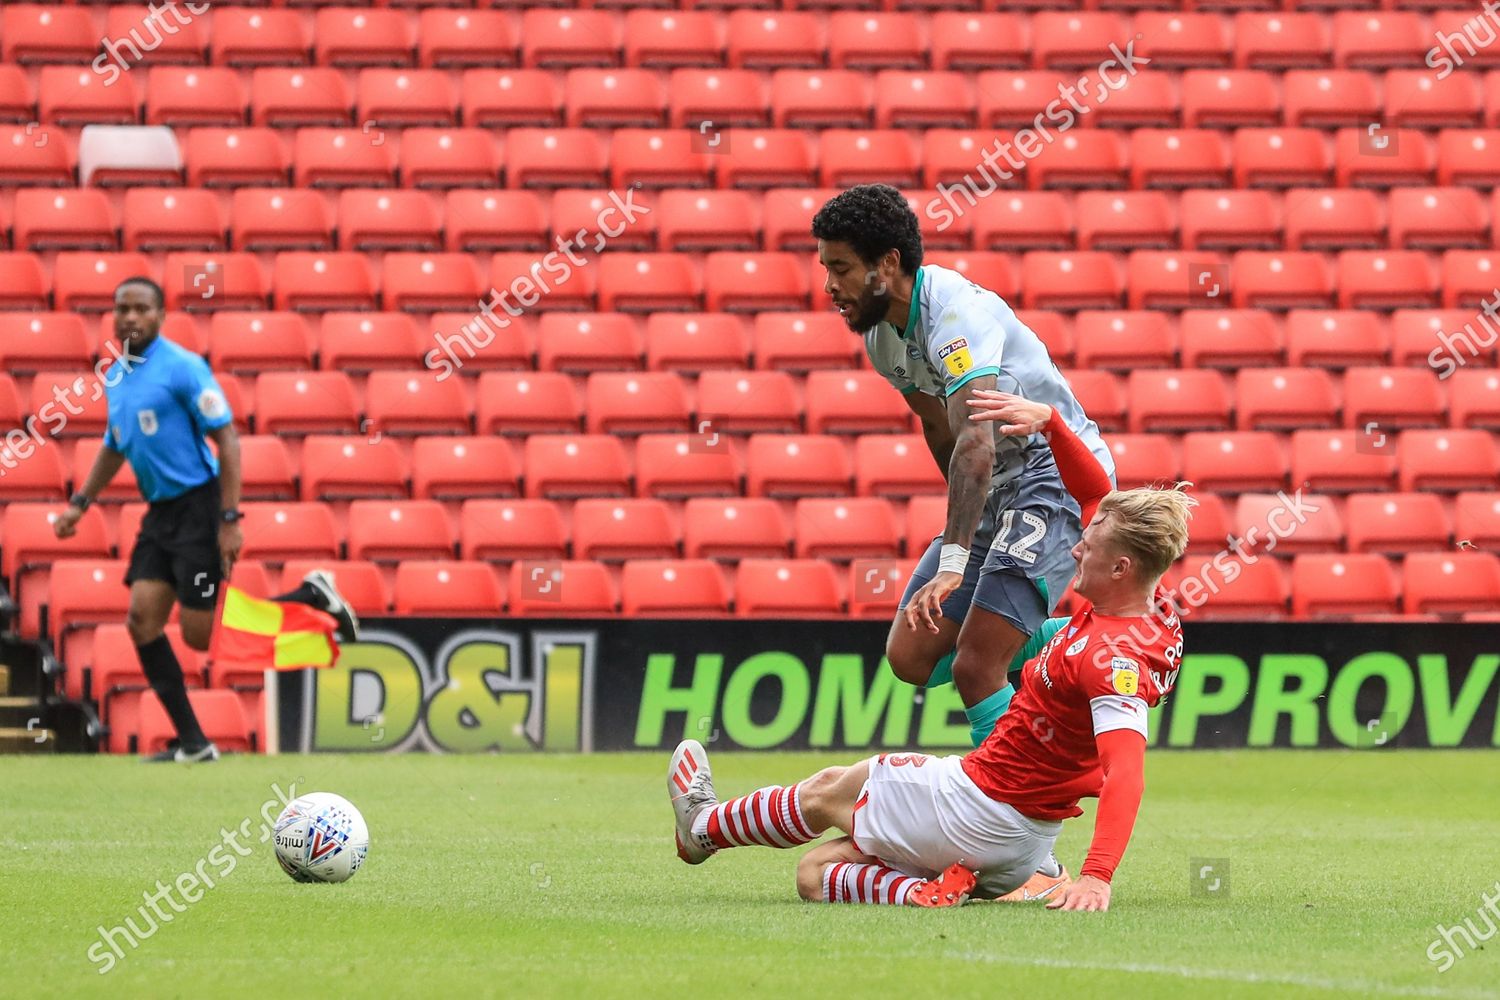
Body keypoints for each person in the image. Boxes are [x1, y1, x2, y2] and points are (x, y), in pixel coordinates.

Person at [668, 390, 1193, 909]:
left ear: (1121, 568)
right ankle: (926, 890)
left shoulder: (1114, 660)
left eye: (1090, 546)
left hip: (981, 808)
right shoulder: (1147, 609)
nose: (1076, 545)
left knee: (832, 789)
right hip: (1021, 842)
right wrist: (1052, 423)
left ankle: (702, 828)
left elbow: (1126, 770)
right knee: (818, 872)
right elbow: (1094, 492)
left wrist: (1098, 876)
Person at [813, 184, 1114, 752]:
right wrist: (969, 529)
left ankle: (1010, 811)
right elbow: (940, 430)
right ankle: (1077, 641)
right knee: (911, 654)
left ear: (888, 264)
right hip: (994, 491)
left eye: (841, 268)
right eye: (826, 268)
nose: (829, 286)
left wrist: (955, 560)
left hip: (1054, 477)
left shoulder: (955, 314)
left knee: (976, 667)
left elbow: (974, 439)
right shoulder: (883, 338)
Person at [53, 277, 360, 763]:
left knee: (203, 635)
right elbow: (116, 444)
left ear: (160, 316)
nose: (129, 317)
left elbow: (229, 441)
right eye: (122, 309)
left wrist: (229, 518)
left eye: (140, 309)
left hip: (198, 507)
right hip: (160, 514)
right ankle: (195, 743)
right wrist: (81, 503)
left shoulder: (183, 368)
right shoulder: (116, 373)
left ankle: (310, 598)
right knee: (141, 620)